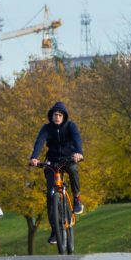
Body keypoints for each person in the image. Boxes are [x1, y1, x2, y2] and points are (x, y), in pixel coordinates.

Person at [29, 101, 84, 246]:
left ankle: (77, 199)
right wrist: (34, 157)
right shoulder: (47, 128)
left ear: (64, 116)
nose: (57, 117)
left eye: (60, 115)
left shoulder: (70, 126)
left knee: (73, 169)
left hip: (68, 159)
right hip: (52, 161)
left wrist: (79, 153)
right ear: (51, 116)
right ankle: (55, 230)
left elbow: (77, 139)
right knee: (50, 194)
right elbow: (39, 141)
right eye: (55, 115)